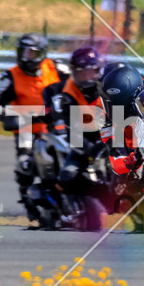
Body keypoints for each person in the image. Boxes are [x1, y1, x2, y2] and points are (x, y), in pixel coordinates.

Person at [0, 33, 65, 225]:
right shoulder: (10, 76)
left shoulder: (56, 68)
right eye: (23, 52)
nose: (26, 57)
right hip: (26, 129)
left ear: (41, 54)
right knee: (25, 164)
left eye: (31, 53)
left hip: (56, 126)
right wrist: (8, 114)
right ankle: (28, 200)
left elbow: (76, 87)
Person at [43, 46, 107, 190]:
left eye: (90, 73)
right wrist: (91, 149)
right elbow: (72, 131)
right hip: (84, 140)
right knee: (66, 177)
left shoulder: (109, 87)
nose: (86, 78)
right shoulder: (67, 94)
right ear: (73, 73)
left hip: (111, 138)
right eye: (81, 74)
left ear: (98, 70)